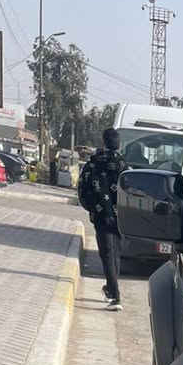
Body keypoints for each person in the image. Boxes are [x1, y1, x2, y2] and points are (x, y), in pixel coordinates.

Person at [77, 128, 128, 311]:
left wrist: (93, 207)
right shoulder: (124, 166)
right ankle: (113, 290)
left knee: (106, 253)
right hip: (120, 217)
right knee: (115, 253)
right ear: (118, 143)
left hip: (101, 215)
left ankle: (114, 294)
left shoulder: (92, 164)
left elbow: (82, 189)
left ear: (104, 142)